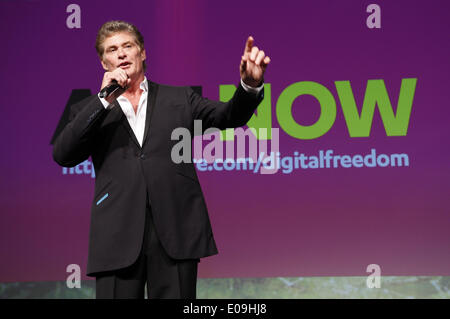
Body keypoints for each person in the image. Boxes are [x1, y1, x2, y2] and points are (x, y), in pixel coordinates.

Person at [53, 20, 270, 299]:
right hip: (116, 233)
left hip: (175, 231)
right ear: (104, 62)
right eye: (112, 49)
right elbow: (63, 154)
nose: (121, 54)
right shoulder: (89, 110)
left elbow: (229, 116)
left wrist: (250, 85)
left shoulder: (179, 98)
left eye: (127, 46)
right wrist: (103, 101)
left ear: (142, 53)